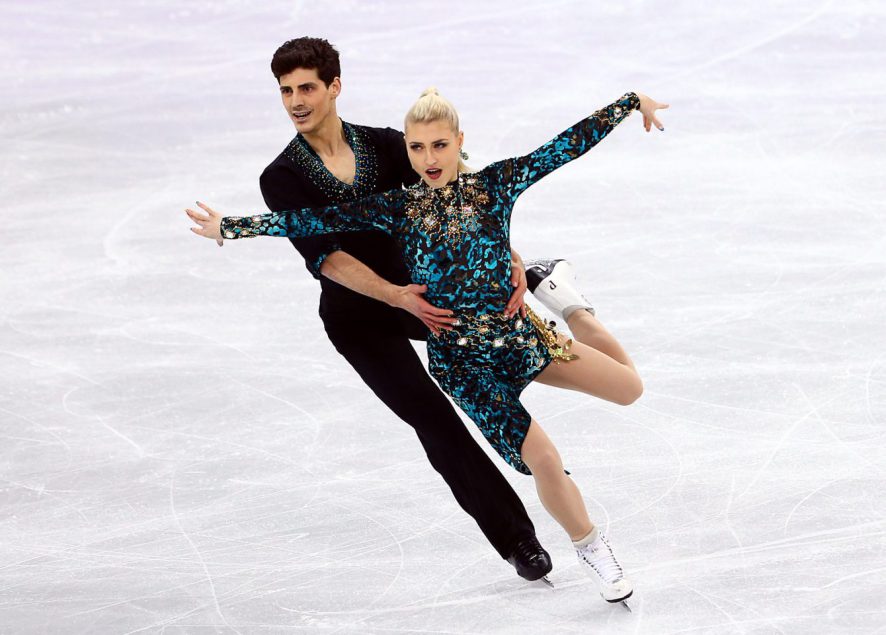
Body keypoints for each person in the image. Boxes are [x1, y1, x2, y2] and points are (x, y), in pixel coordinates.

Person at [187, 84, 668, 604]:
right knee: (545, 460)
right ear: (408, 150)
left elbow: (562, 147)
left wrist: (628, 103)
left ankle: (568, 301)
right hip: (463, 364)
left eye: (439, 146)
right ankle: (592, 547)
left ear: (459, 141)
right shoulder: (398, 206)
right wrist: (230, 227)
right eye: (417, 149)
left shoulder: (497, 183)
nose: (429, 159)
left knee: (630, 390)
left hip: (519, 337)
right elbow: (307, 222)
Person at [196, 38, 555, 583]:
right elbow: (328, 258)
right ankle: (516, 538)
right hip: (360, 316)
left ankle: (554, 305)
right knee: (432, 418)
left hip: (422, 290)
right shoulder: (282, 177)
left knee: (497, 333)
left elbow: (462, 192)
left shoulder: (388, 145)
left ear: (334, 87)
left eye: (307, 87)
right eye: (286, 91)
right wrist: (394, 294)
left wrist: (506, 254)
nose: (296, 101)